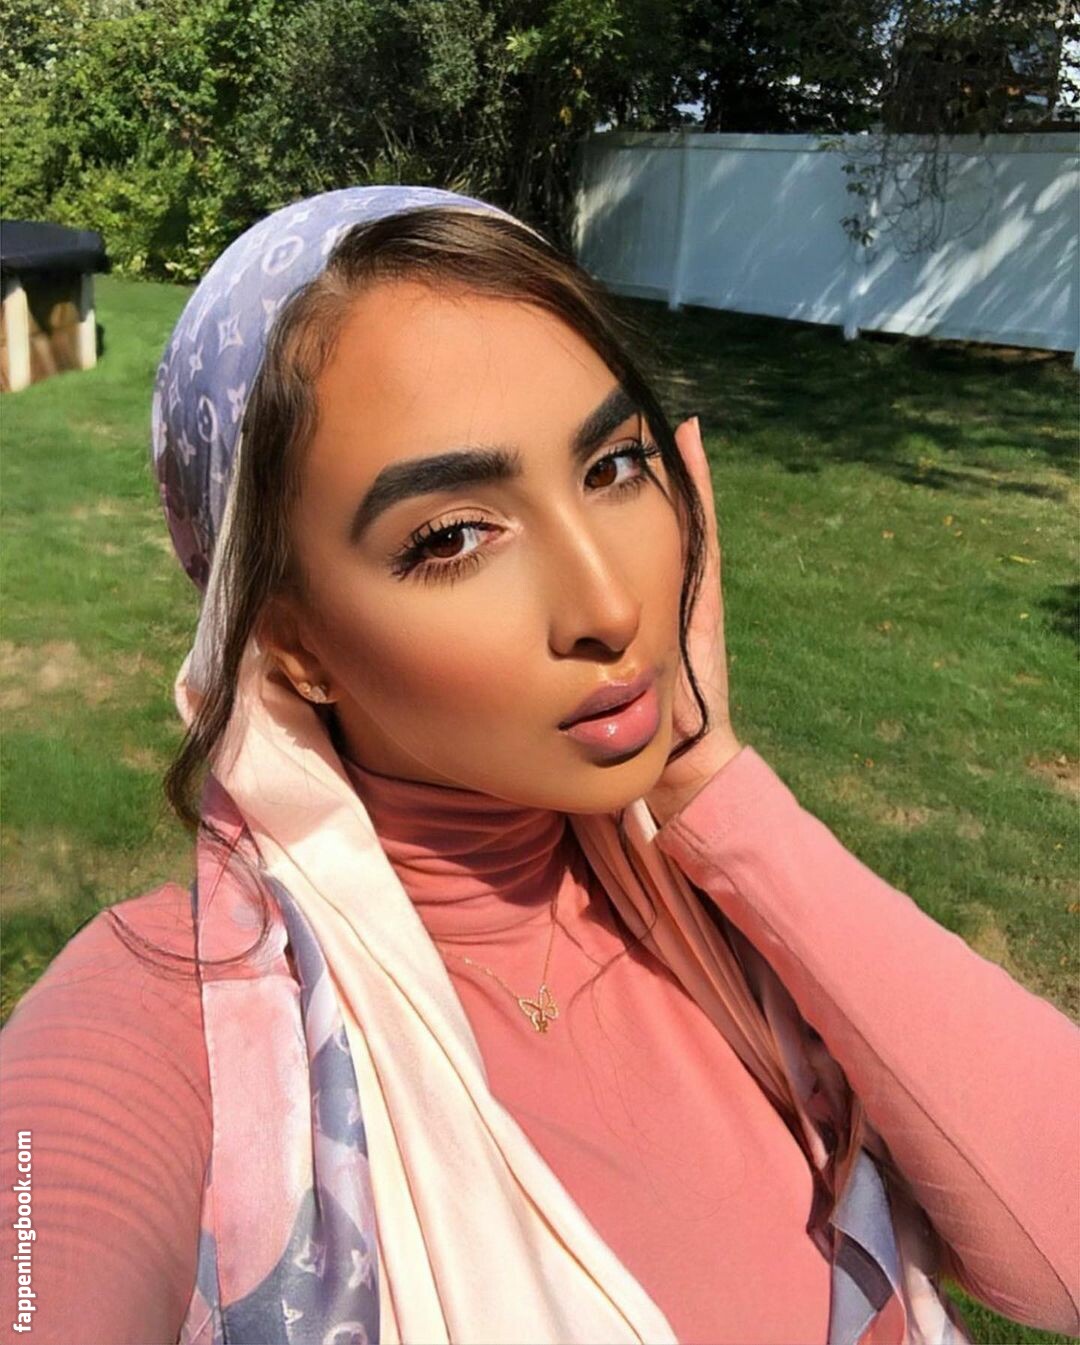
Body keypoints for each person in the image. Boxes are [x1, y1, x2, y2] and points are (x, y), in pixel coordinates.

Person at [0, 185, 1077, 1345]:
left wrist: (711, 781)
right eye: (452, 536)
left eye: (613, 466)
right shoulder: (175, 1021)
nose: (610, 605)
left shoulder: (722, 911)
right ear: (291, 640)